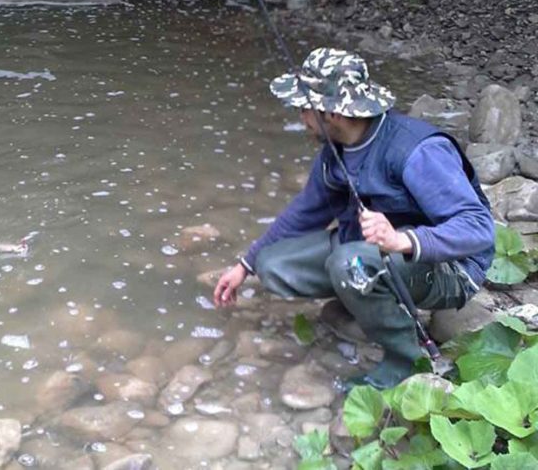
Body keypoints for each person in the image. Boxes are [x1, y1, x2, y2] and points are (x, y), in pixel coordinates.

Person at [212, 47, 495, 390]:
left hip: (450, 268)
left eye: (304, 108)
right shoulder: (336, 150)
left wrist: (402, 241)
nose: (300, 117)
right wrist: (246, 264)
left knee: (350, 264)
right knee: (275, 265)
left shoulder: (417, 150)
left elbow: (479, 227)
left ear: (331, 112)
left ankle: (405, 361)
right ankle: (368, 299)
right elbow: (305, 211)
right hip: (372, 252)